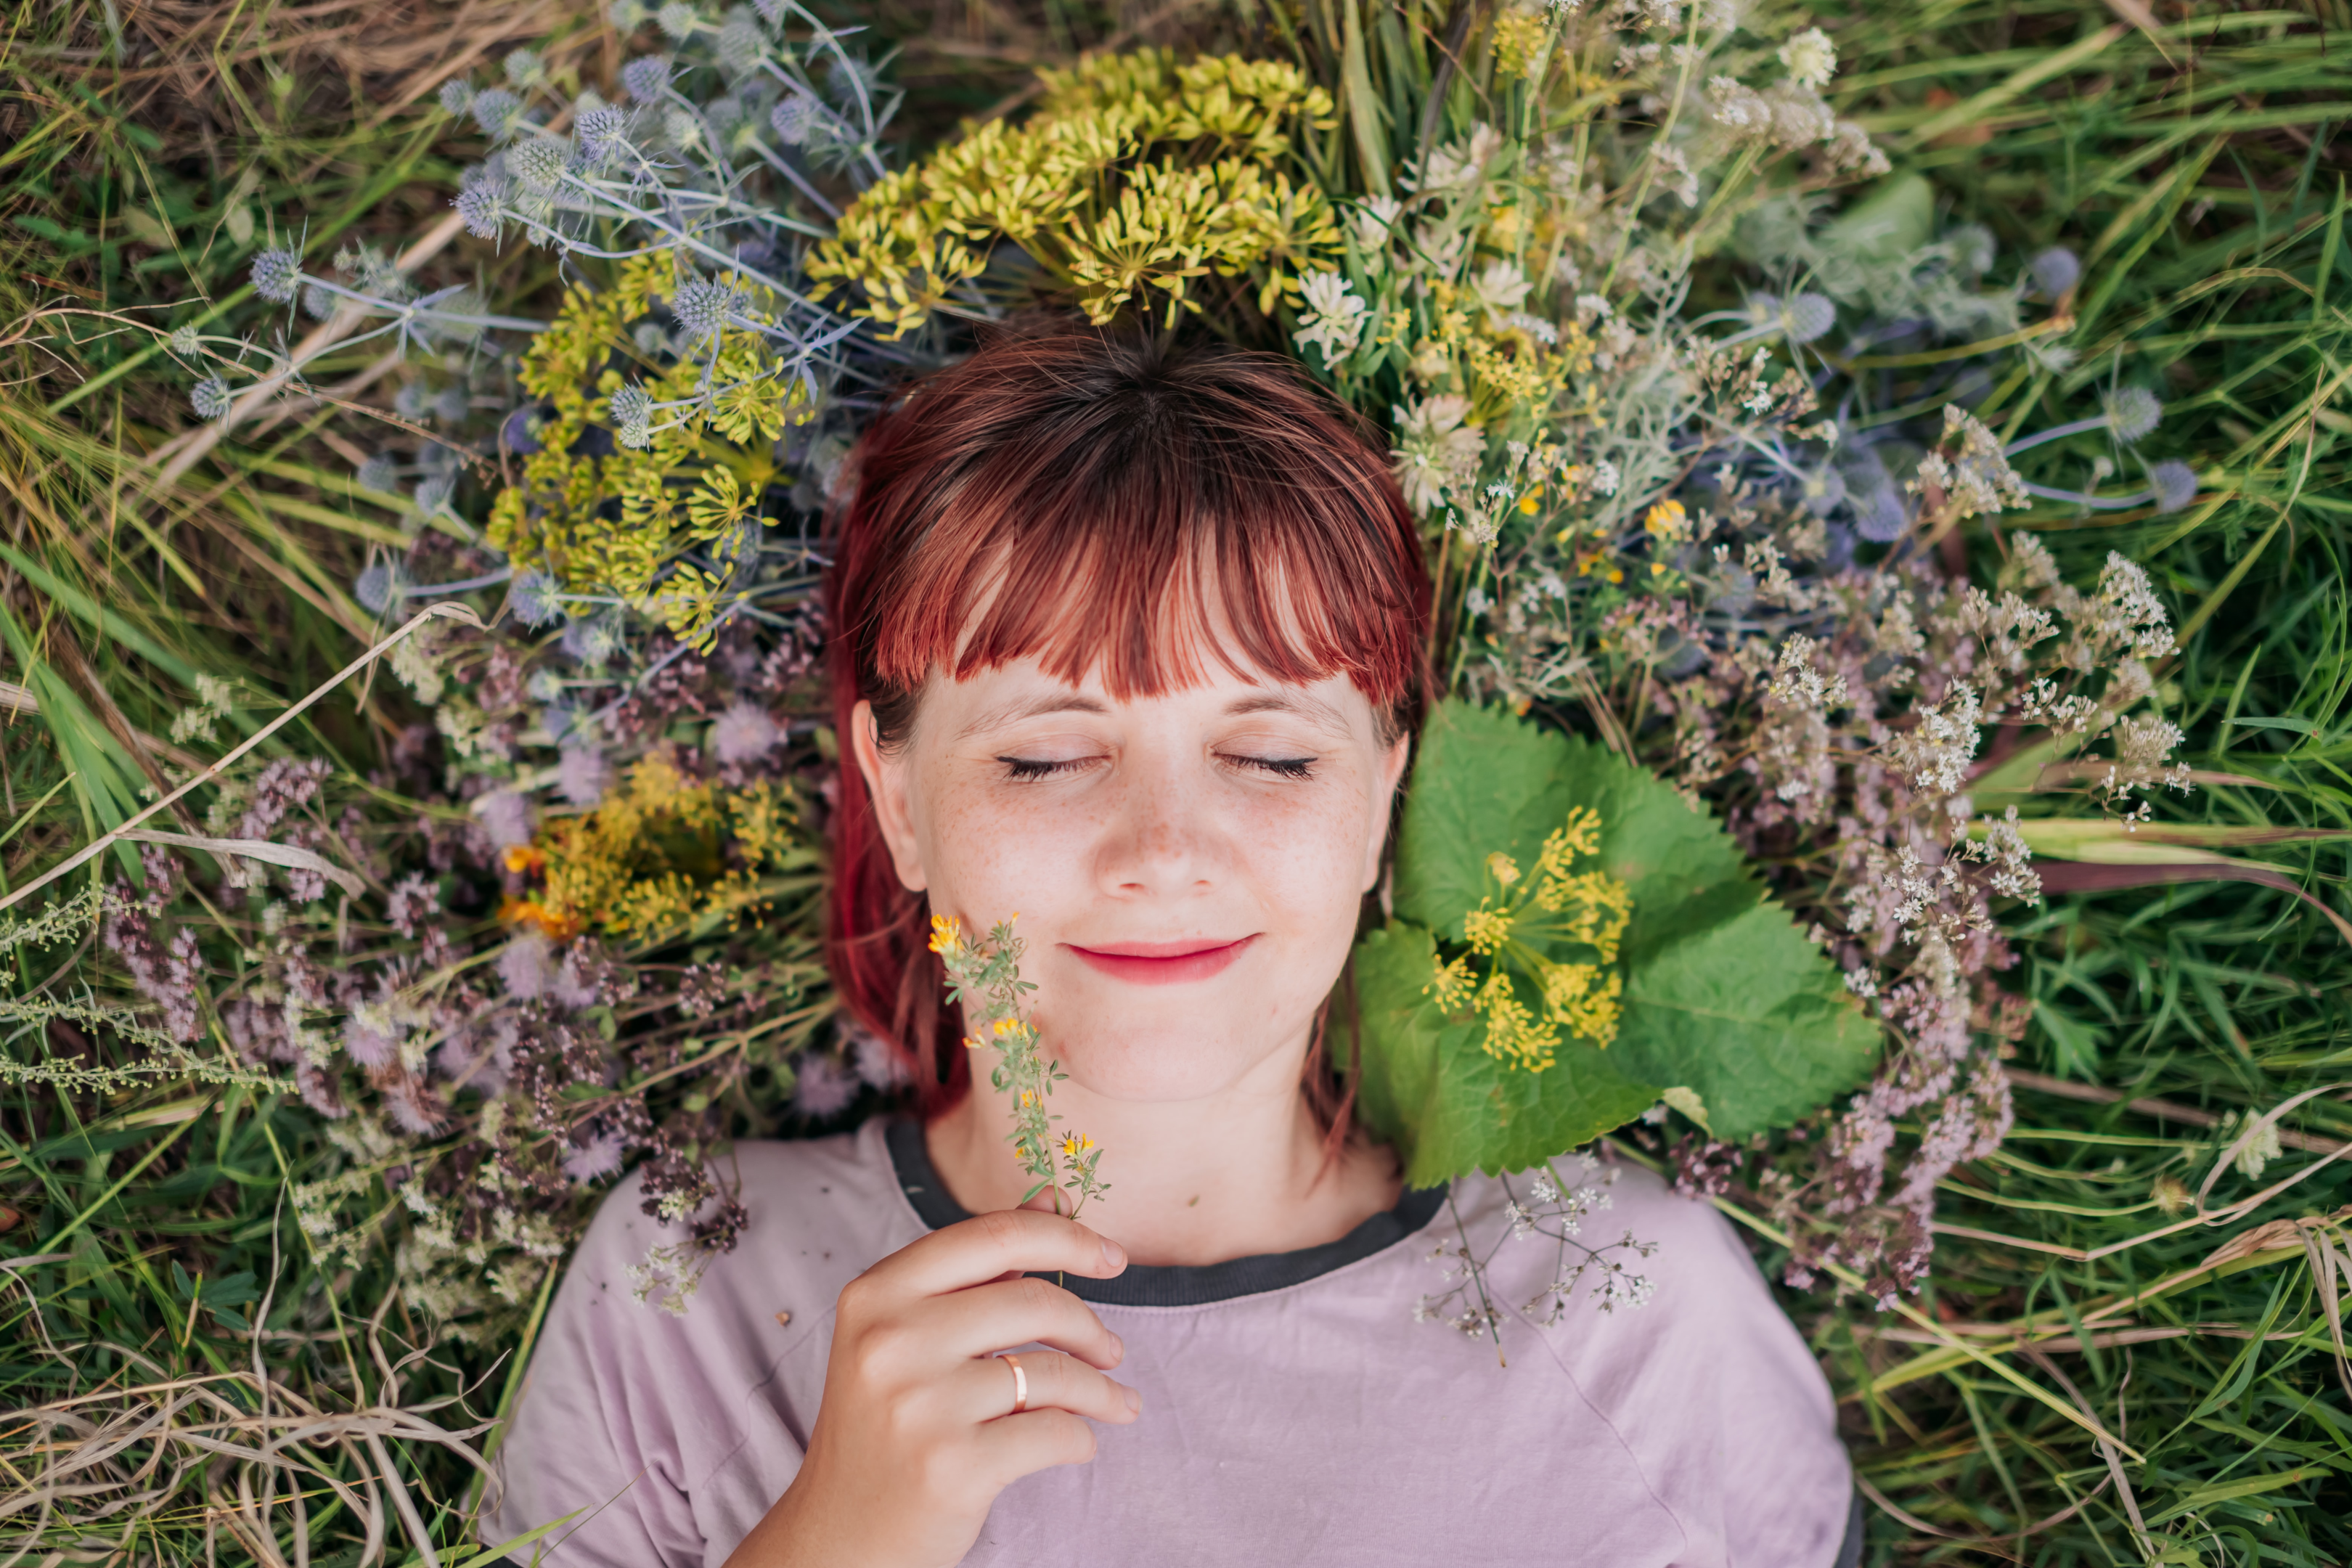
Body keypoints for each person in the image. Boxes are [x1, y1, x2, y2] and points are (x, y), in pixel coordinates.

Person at [481, 323, 1859, 1568]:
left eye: (1265, 753)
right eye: (1043, 757)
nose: (1164, 850)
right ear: (899, 801)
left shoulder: (1639, 1327)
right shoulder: (688, 1287)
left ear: (1386, 794)